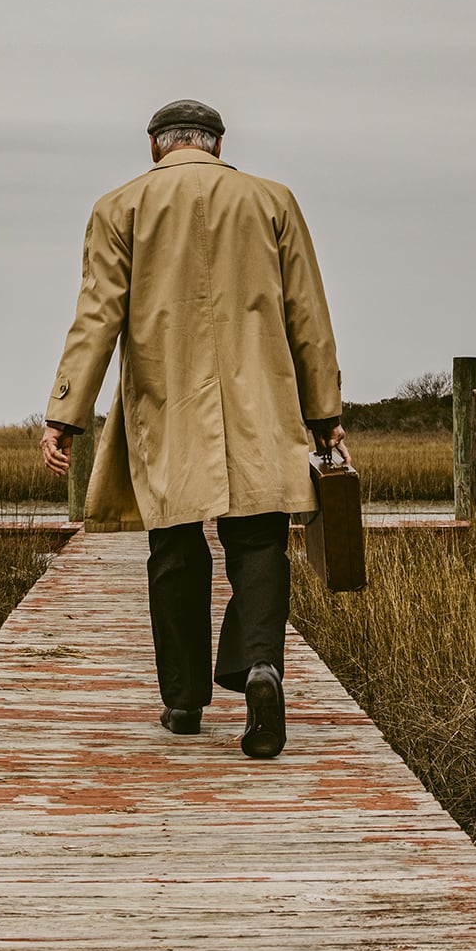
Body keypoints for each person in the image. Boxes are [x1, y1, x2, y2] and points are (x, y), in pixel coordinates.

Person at [40, 100, 344, 759]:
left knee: (175, 549)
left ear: (154, 146)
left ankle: (183, 703)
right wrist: (325, 415)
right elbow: (309, 317)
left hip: (166, 403)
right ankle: (260, 666)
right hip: (260, 401)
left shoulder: (119, 208)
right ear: (218, 143)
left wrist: (64, 414)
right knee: (260, 542)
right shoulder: (273, 201)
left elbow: (96, 319)